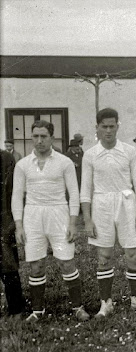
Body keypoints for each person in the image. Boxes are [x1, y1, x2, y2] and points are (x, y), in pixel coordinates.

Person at [12, 120, 88, 322]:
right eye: (35, 136)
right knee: (36, 264)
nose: (39, 140)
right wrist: (19, 225)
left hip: (58, 214)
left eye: (43, 136)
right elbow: (16, 196)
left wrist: (72, 223)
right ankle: (38, 311)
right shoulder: (23, 165)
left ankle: (77, 307)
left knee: (67, 262)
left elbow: (74, 193)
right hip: (33, 215)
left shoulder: (64, 162)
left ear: (51, 138)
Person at [81, 108, 136, 318]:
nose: (109, 130)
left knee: (133, 254)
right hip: (101, 204)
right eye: (104, 126)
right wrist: (87, 219)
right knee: (104, 255)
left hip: (126, 204)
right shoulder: (90, 154)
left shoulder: (129, 151)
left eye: (112, 126)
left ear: (118, 126)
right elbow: (85, 190)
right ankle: (106, 302)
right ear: (97, 128)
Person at [1, 149, 25, 316]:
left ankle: (16, 308)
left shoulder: (6, 159)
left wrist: (12, 222)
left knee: (8, 264)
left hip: (3, 220)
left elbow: (13, 192)